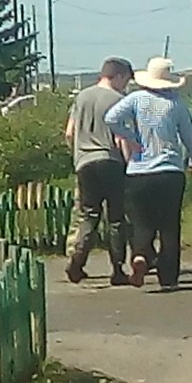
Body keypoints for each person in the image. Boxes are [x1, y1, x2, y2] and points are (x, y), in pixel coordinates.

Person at [104, 57, 192, 292]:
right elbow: (189, 138)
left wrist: (129, 137)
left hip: (139, 172)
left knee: (141, 222)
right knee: (169, 225)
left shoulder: (135, 99)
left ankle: (140, 255)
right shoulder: (176, 105)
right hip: (170, 172)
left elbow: (111, 118)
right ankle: (168, 278)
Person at [63, 57, 134, 286]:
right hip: (110, 161)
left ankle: (77, 260)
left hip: (84, 162)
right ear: (119, 76)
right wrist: (130, 164)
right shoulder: (119, 100)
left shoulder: (81, 96)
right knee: (116, 218)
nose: (125, 86)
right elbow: (121, 138)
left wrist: (77, 154)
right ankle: (118, 270)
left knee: (88, 214)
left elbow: (69, 133)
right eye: (126, 80)